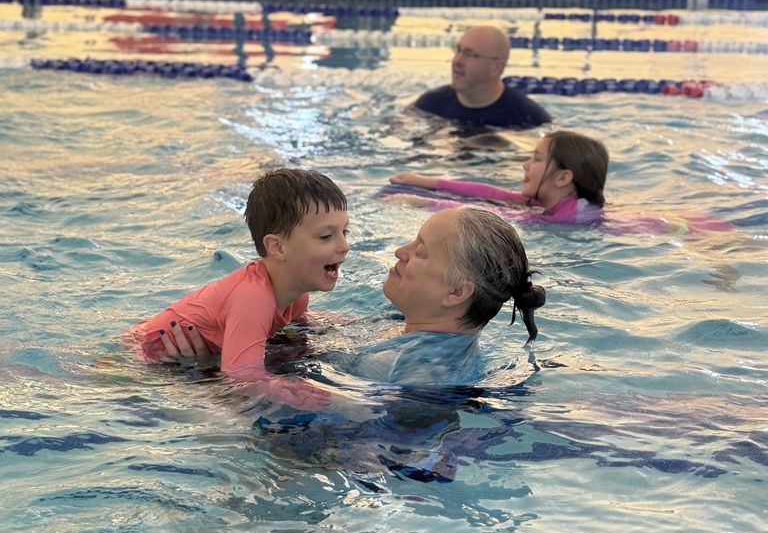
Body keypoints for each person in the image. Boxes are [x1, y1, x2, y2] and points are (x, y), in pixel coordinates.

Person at [126, 168, 349, 374]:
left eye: (345, 232)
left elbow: (311, 325)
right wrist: (335, 399)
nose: (344, 246)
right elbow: (244, 381)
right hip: (140, 363)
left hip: (181, 356)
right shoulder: (253, 299)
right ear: (278, 247)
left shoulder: (296, 298)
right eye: (326, 237)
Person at [336, 207, 546, 385]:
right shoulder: (459, 347)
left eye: (420, 251)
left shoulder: (395, 369)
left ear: (456, 292)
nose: (400, 251)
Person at [390, 131, 608, 227]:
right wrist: (422, 181)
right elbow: (493, 194)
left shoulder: (564, 217)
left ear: (563, 178)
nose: (526, 164)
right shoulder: (551, 203)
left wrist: (422, 203)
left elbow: (494, 215)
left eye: (537, 159)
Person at [412, 25, 552, 129]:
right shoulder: (430, 104)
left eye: (469, 54)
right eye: (458, 50)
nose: (457, 61)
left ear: (496, 67)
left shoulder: (529, 119)